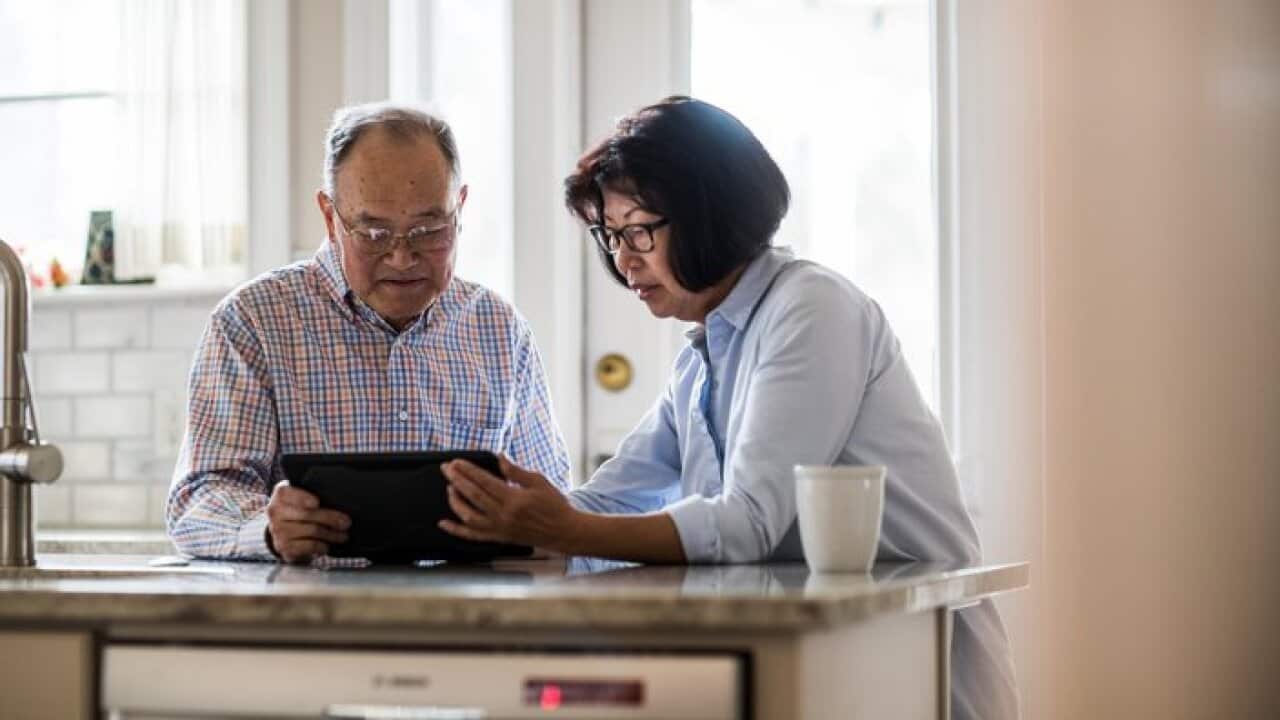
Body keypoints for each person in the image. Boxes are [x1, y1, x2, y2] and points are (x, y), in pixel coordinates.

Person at [436, 96, 1019, 718]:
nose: (623, 259)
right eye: (610, 236)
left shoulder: (811, 308)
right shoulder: (704, 354)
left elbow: (747, 522)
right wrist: (497, 518)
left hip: (907, 655)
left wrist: (559, 527)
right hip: (822, 649)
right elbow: (607, 500)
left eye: (638, 230)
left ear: (708, 216)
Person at [167, 103, 571, 564]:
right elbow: (197, 502)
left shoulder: (500, 331)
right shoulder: (253, 322)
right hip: (309, 620)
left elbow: (552, 502)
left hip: (471, 619)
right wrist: (267, 526)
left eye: (428, 230)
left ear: (459, 209)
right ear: (329, 216)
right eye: (374, 234)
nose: (402, 257)